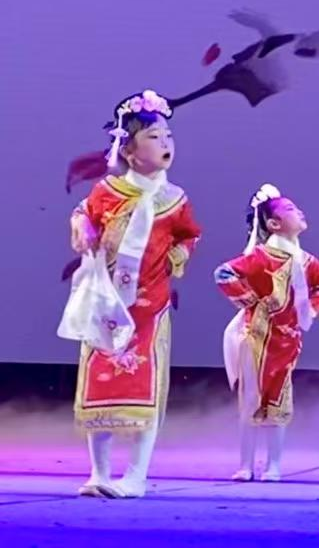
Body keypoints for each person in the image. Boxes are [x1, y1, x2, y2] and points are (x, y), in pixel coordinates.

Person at [68, 90, 202, 498]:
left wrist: (178, 254)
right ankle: (99, 473)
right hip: (108, 305)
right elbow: (83, 214)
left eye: (168, 136)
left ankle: (136, 476)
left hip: (149, 307)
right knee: (100, 382)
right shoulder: (107, 191)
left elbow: (189, 235)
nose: (165, 143)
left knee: (147, 387)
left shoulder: (174, 200)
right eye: (154, 137)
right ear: (128, 150)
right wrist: (83, 228)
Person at [215, 185, 319, 482]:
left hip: (287, 342)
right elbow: (224, 273)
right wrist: (251, 301)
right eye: (291, 209)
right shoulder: (262, 257)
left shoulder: (307, 261)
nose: (300, 211)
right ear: (273, 224)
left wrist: (307, 313)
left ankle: (273, 465)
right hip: (256, 337)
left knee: (280, 403)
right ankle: (245, 465)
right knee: (250, 400)